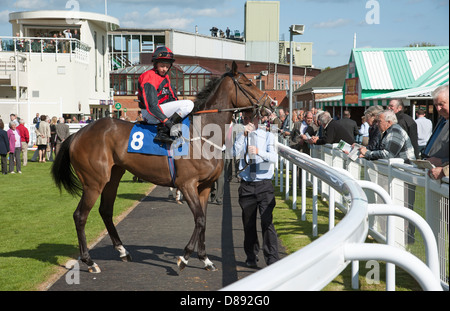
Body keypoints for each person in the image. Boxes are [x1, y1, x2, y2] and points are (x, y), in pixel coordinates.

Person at [233, 110, 279, 268]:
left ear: (258, 119)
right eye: (245, 118)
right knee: (248, 224)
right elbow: (233, 152)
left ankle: (272, 258)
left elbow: (274, 158)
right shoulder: (241, 135)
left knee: (267, 222)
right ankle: (251, 256)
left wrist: (260, 152)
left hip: (264, 184)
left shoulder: (267, 136)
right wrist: (242, 136)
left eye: (250, 118)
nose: (247, 121)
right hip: (247, 185)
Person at [138, 46, 194, 144]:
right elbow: (151, 106)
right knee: (189, 104)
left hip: (159, 111)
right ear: (155, 64)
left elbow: (174, 100)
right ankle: (164, 132)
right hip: (150, 113)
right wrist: (168, 124)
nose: (164, 69)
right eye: (162, 65)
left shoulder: (165, 78)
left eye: (167, 66)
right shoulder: (149, 77)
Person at [422, 85, 449, 167]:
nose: (438, 108)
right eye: (436, 105)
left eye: (441, 104)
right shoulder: (442, 119)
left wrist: (442, 162)